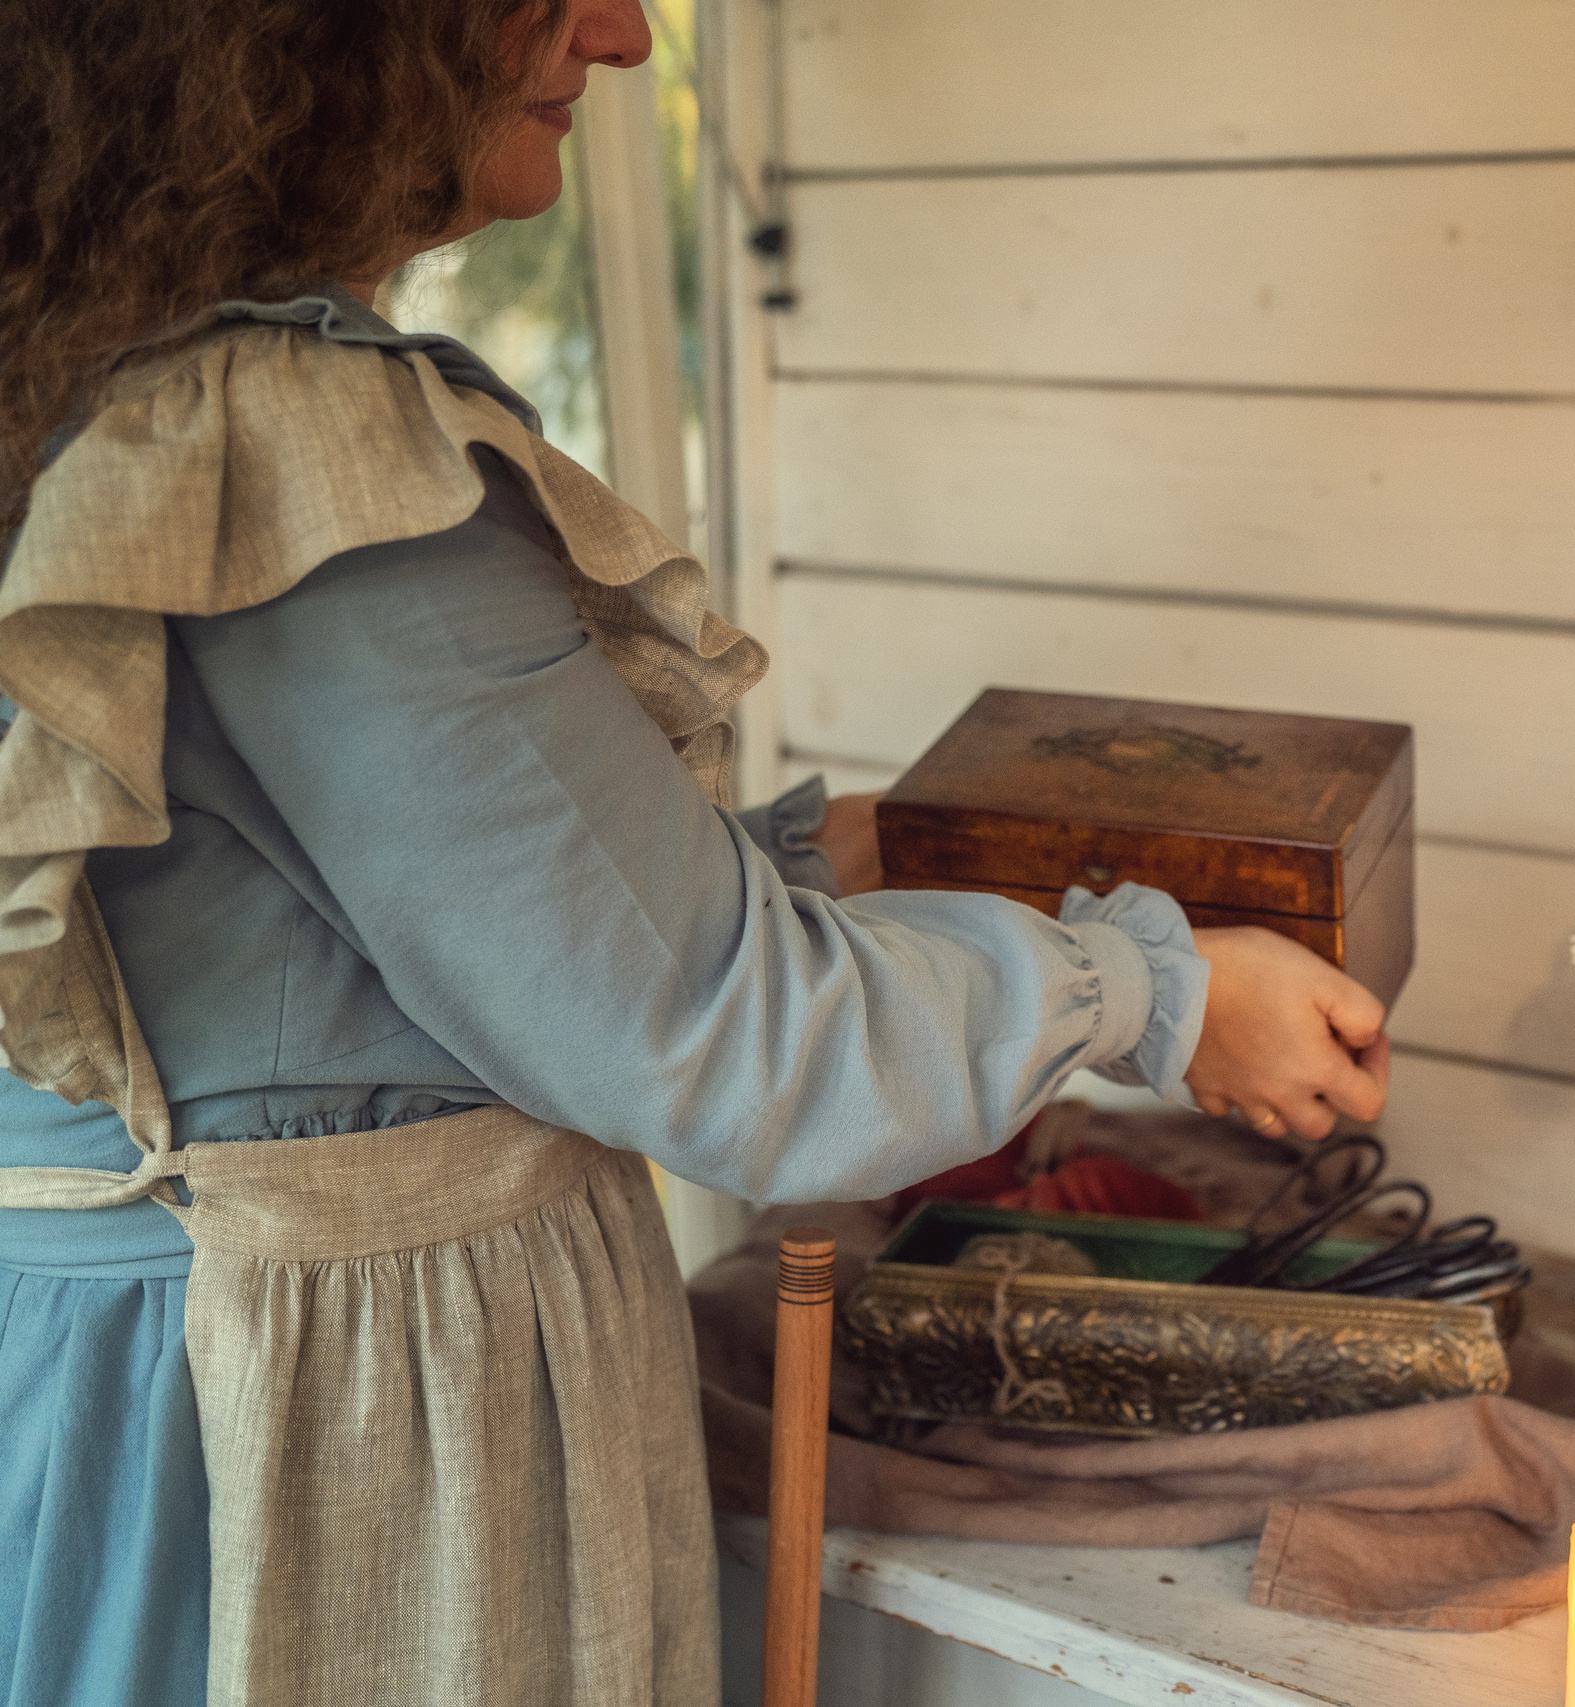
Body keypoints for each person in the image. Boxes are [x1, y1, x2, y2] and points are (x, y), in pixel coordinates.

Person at [0, 3, 1391, 1704]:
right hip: (319, 1427)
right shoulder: (293, 454)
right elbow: (721, 1035)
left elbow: (413, 947)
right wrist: (1155, 1000)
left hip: (127, 1374)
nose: (628, 31)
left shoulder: (87, 404)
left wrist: (851, 853)